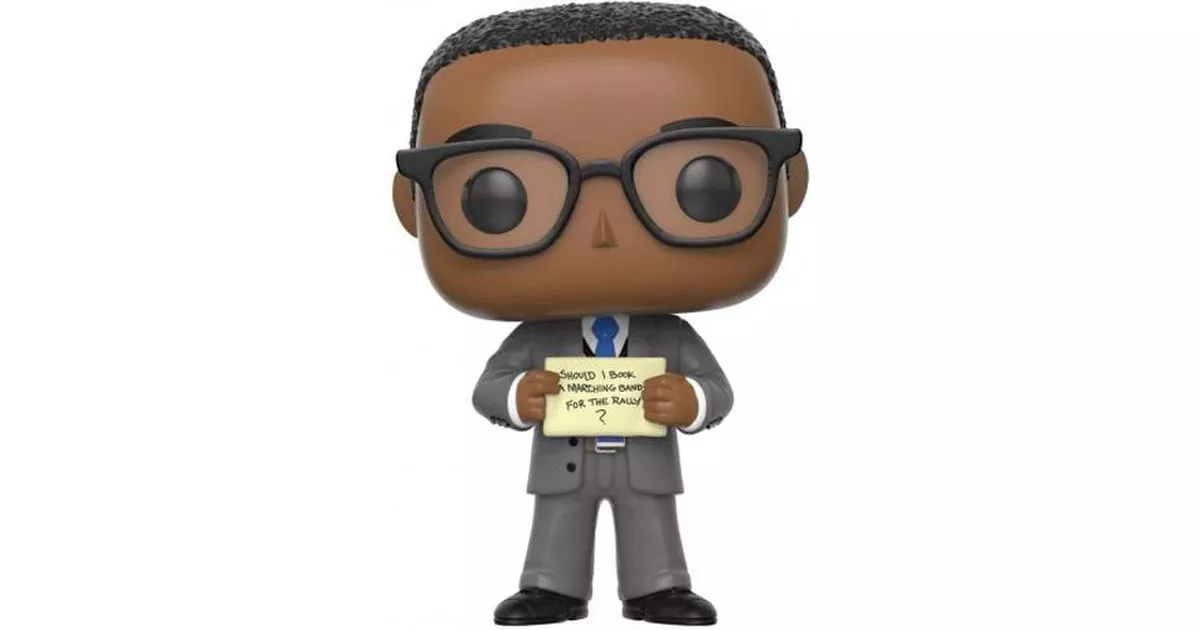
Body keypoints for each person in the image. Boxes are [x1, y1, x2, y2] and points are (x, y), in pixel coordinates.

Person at [392, 2, 808, 625]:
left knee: (652, 522)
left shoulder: (672, 336)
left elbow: (716, 390)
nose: (603, 230)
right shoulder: (536, 339)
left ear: (789, 184)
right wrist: (519, 398)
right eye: (501, 195)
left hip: (646, 464)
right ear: (413, 205)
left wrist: (690, 400)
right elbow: (489, 388)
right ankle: (551, 586)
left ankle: (659, 586)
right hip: (563, 464)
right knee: (557, 523)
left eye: (700, 183)